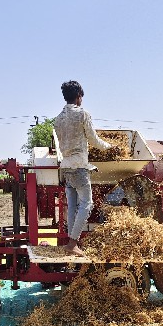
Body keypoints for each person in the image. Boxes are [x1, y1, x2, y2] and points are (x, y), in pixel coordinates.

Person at [53, 80, 111, 255]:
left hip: (66, 167)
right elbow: (93, 140)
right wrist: (109, 147)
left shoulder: (58, 119)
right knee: (87, 203)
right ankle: (72, 244)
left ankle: (71, 244)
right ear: (79, 96)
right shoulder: (83, 115)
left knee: (72, 206)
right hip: (79, 166)